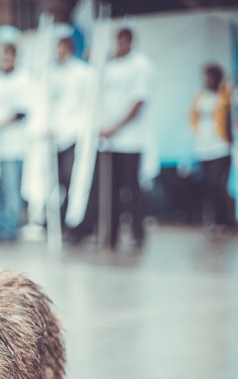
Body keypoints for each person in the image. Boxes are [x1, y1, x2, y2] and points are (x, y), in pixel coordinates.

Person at [99, 27, 154, 249]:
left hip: (131, 140)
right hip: (110, 141)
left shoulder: (141, 66)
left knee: (132, 188)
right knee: (111, 189)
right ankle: (111, 234)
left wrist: (116, 127)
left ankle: (137, 233)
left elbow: (139, 102)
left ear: (130, 41)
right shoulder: (110, 66)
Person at [48, 26, 91, 230]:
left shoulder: (83, 73)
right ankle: (63, 220)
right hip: (55, 134)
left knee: (72, 177)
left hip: (75, 133)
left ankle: (79, 223)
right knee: (59, 181)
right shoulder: (52, 72)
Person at [0, 42, 29, 242]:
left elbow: (21, 112)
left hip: (13, 146)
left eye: (8, 56)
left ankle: (11, 228)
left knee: (11, 188)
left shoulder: (22, 80)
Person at [190, 64, 234, 232]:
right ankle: (213, 220)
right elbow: (193, 115)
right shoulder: (200, 96)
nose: (206, 80)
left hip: (221, 146)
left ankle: (227, 219)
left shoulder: (225, 94)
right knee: (208, 185)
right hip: (203, 147)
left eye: (209, 77)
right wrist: (196, 130)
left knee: (219, 184)